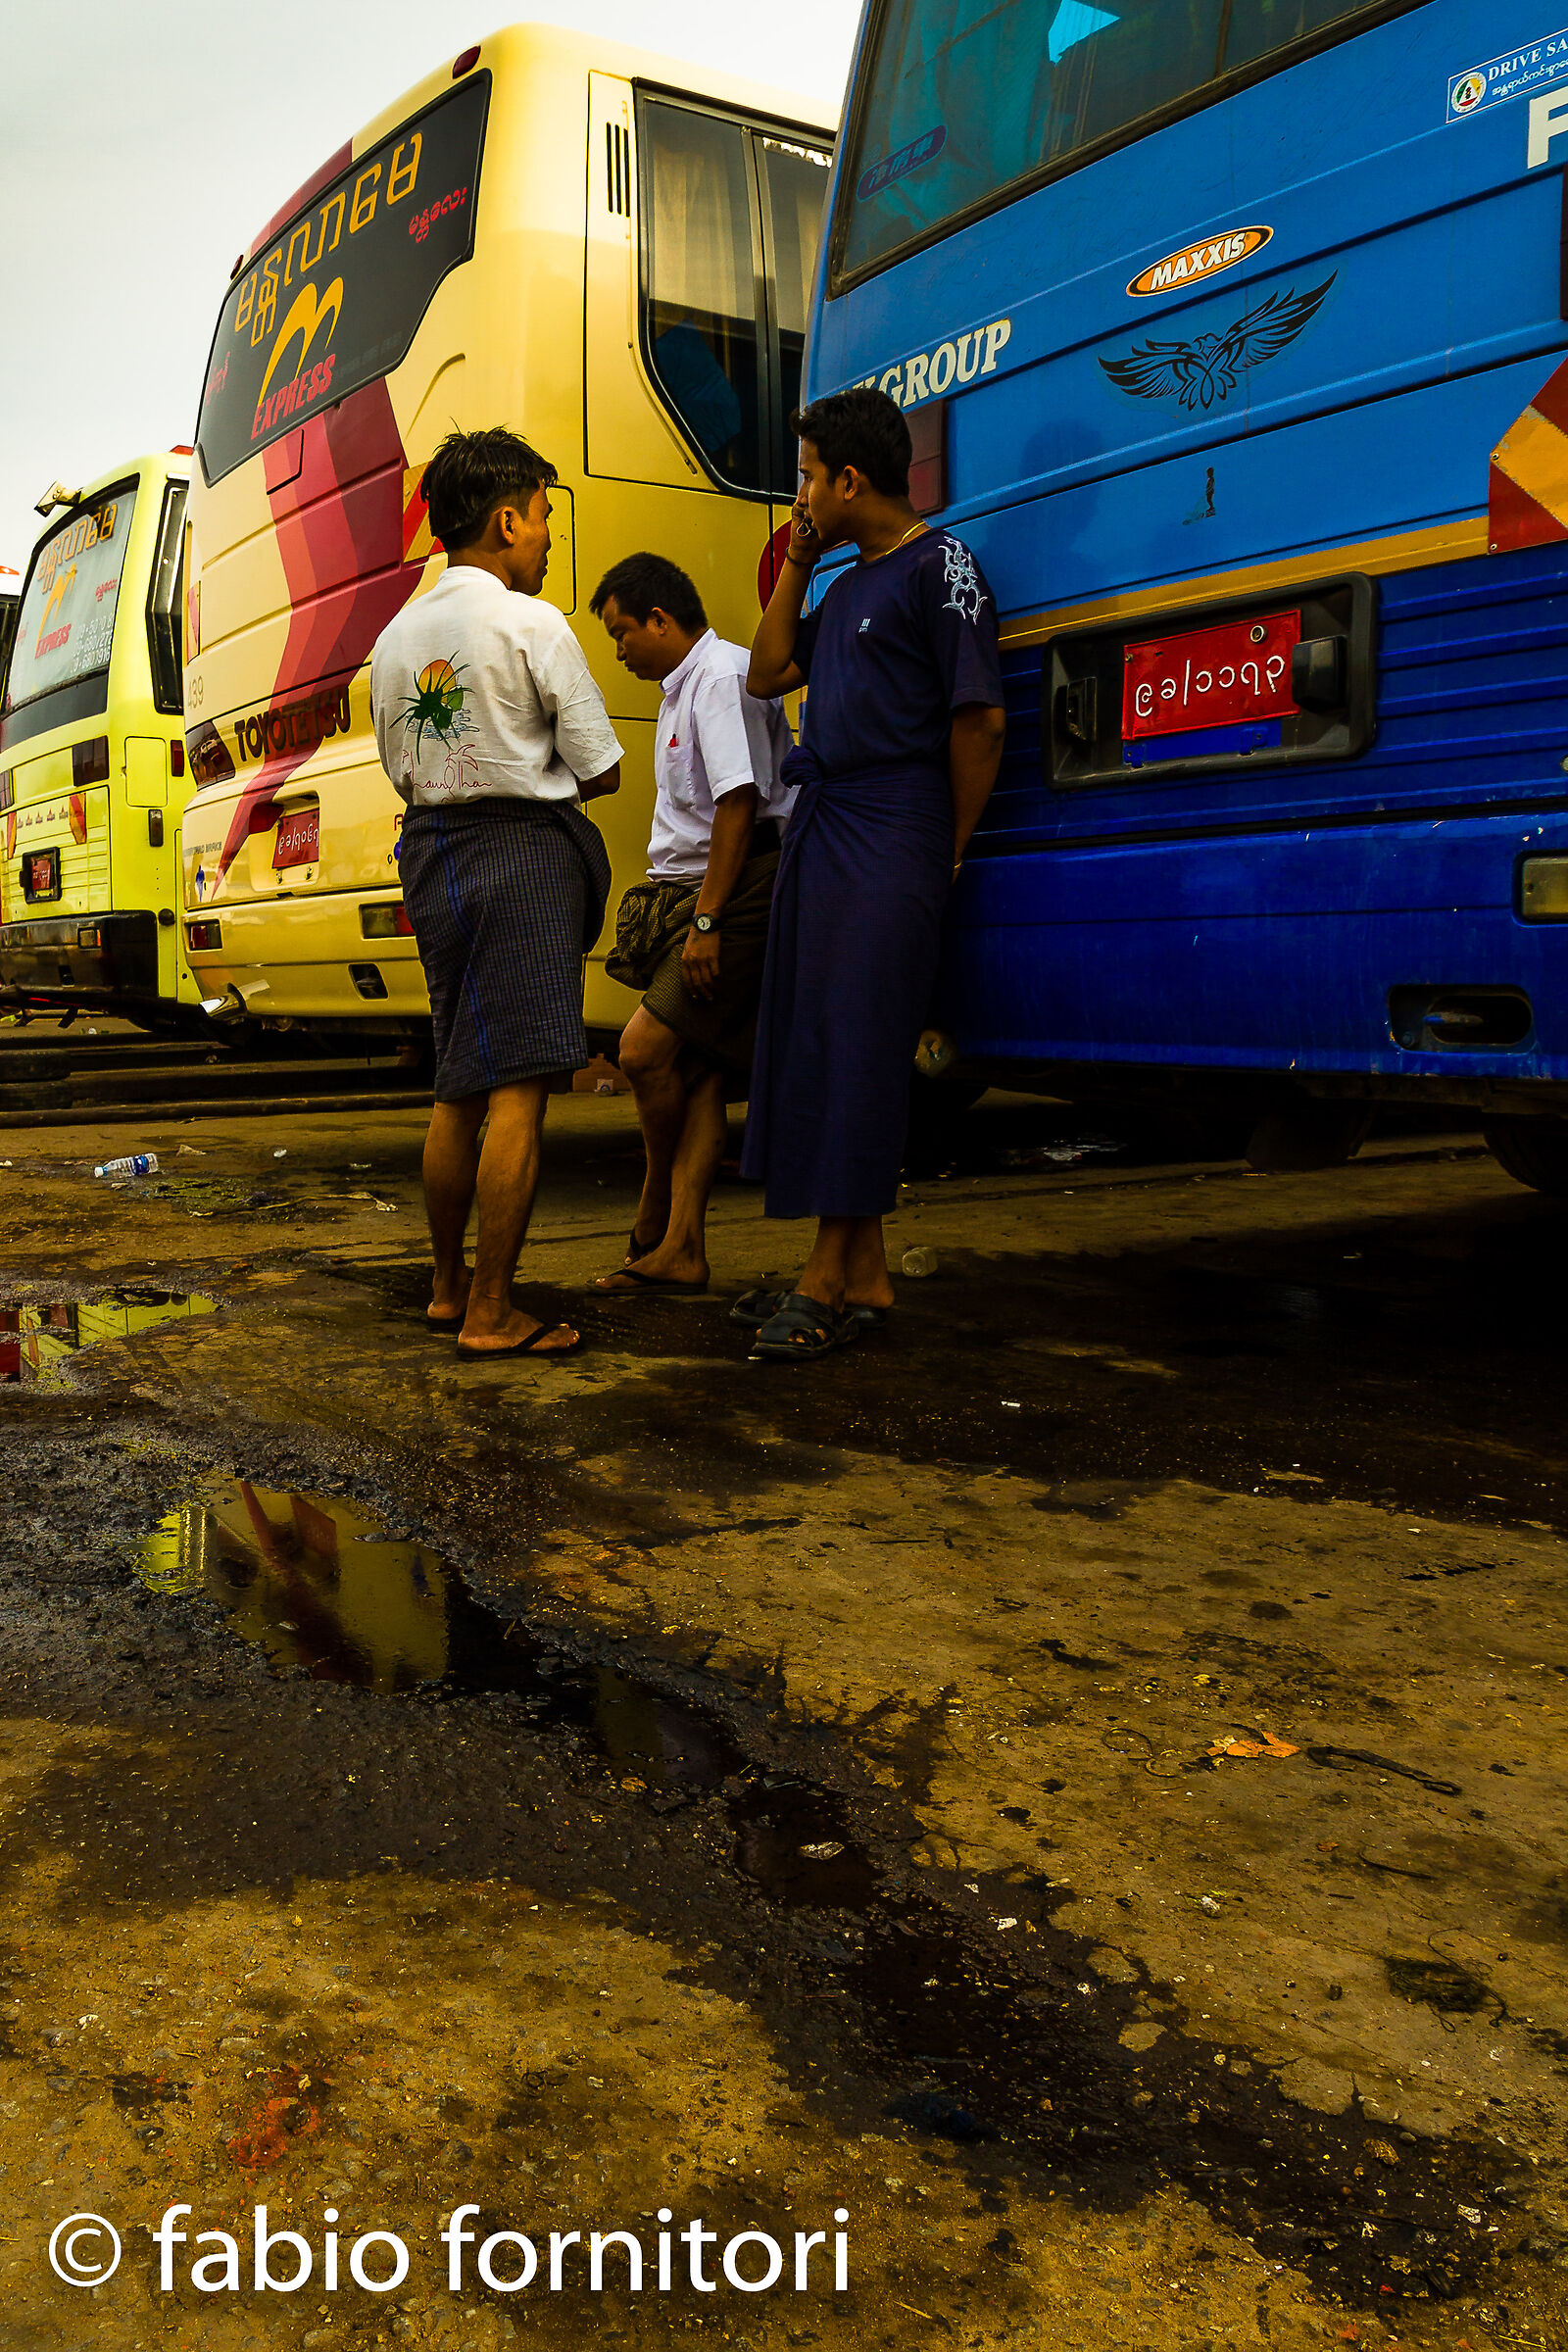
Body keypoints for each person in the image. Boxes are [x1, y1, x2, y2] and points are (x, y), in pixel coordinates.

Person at [739, 386, 1006, 1363]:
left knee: (859, 1046)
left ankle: (825, 1275)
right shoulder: (846, 584)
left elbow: (978, 722)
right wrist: (800, 560)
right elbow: (767, 673)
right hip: (828, 827)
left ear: (851, 478)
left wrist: (947, 844)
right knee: (817, 1044)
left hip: (895, 826)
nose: (801, 494)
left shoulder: (943, 569)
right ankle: (868, 1275)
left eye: (810, 477)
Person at [369, 426, 622, 1360]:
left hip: (430, 849)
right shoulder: (530, 623)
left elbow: (401, 765)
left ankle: (445, 1291)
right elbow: (600, 770)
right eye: (545, 519)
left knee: (458, 1080)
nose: (548, 539)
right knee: (519, 1087)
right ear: (506, 519)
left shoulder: (394, 639)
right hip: (520, 851)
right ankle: (492, 1312)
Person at [587, 551, 795, 1292]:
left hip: (732, 894)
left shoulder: (719, 678)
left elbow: (739, 802)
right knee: (697, 1072)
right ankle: (682, 1248)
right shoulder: (682, 688)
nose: (618, 651)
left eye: (621, 634)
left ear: (660, 619)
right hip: (694, 895)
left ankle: (655, 1201)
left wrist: (707, 923)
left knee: (642, 1053)